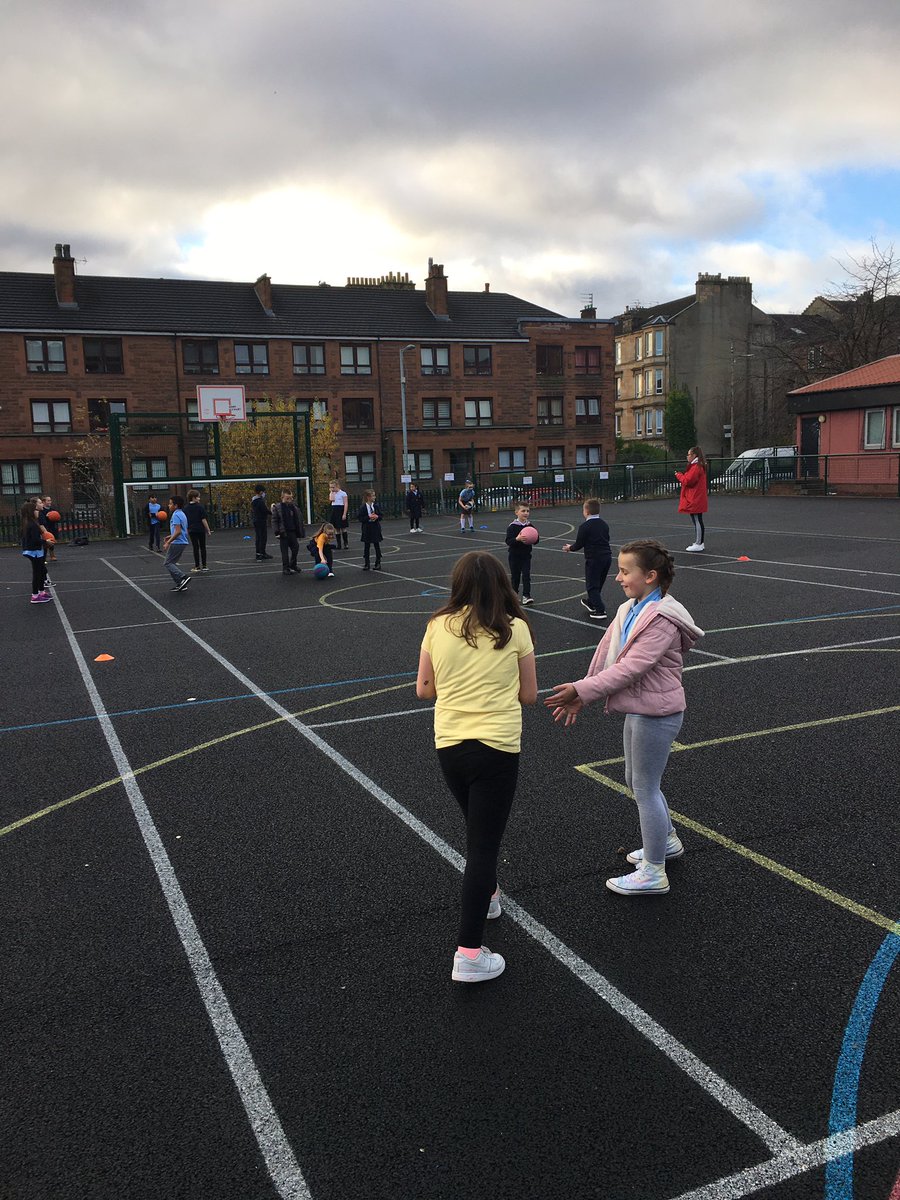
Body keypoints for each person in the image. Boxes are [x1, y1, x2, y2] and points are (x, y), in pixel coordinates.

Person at [545, 539, 703, 896]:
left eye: (625, 571)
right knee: (635, 781)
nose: (618, 578)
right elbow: (607, 656)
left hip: (659, 713)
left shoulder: (661, 618)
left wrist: (582, 691)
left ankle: (653, 871)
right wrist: (583, 691)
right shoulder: (630, 608)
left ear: (650, 576)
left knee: (645, 787)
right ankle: (666, 842)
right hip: (640, 708)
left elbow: (631, 669)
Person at [416, 551, 537, 983]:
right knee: (483, 845)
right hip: (498, 746)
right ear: (501, 583)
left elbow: (424, 689)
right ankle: (468, 953)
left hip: (450, 743)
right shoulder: (516, 628)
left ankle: (487, 894)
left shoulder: (437, 626)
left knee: (477, 831)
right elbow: (528, 695)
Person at [563, 498, 612, 622]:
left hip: (594, 558)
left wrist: (570, 548)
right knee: (599, 582)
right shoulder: (604, 524)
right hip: (607, 557)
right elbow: (607, 538)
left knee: (591, 585)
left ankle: (600, 610)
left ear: (586, 511)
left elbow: (579, 543)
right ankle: (591, 602)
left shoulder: (585, 526)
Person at [676, 446, 709, 552]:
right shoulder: (696, 466)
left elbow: (688, 481)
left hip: (695, 497)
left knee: (697, 519)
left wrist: (679, 476)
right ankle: (698, 542)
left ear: (694, 455)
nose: (687, 456)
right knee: (697, 519)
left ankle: (699, 543)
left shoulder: (696, 467)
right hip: (695, 496)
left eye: (689, 454)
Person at [504, 502, 537, 606]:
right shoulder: (512, 526)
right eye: (523, 511)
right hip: (514, 556)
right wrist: (517, 539)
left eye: (527, 511)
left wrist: (534, 537)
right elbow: (508, 541)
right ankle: (514, 594)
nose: (526, 513)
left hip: (526, 555)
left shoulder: (530, 526)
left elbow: (536, 540)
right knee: (515, 576)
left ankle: (526, 595)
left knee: (526, 575)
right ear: (516, 512)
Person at [22, 497, 50, 604]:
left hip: (34, 550)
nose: (38, 512)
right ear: (31, 512)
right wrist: (46, 542)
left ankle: (41, 592)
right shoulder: (32, 525)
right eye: (36, 510)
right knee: (37, 573)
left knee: (41, 571)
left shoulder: (30, 523)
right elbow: (35, 540)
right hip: (34, 551)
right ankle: (35, 595)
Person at [272, 489, 305, 574]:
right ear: (282, 497)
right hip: (283, 532)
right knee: (284, 552)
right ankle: (285, 568)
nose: (289, 500)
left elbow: (298, 519)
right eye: (287, 498)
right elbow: (275, 520)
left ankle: (293, 564)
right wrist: (277, 532)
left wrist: (300, 532)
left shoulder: (294, 507)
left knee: (295, 548)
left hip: (292, 531)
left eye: (290, 498)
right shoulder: (278, 507)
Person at [163, 496, 191, 592]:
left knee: (168, 563)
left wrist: (168, 542)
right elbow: (182, 530)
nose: (168, 505)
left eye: (170, 503)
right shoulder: (182, 514)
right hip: (181, 541)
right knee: (171, 563)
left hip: (177, 542)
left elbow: (178, 531)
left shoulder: (175, 515)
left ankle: (183, 577)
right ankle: (180, 584)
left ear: (175, 505)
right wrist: (170, 536)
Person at [185, 489, 212, 573]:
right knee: (202, 547)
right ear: (193, 498)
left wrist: (185, 530)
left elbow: (185, 521)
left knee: (195, 548)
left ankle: (197, 566)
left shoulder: (186, 508)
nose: (199, 499)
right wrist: (208, 530)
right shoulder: (200, 507)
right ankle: (204, 565)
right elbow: (203, 519)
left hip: (192, 530)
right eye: (198, 497)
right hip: (200, 529)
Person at [357, 489, 383, 570]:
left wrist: (377, 517)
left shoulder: (376, 506)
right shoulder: (363, 507)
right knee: (366, 546)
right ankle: (366, 563)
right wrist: (368, 517)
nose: (374, 497)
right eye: (373, 496)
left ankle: (378, 562)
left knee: (376, 545)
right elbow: (360, 518)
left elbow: (381, 515)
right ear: (368, 497)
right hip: (367, 528)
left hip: (375, 528)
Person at [251, 484, 272, 561]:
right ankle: (261, 553)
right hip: (260, 521)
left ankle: (260, 552)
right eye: (263, 492)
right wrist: (272, 512)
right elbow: (265, 510)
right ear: (260, 492)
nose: (264, 493)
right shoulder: (259, 501)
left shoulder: (254, 500)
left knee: (259, 537)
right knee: (262, 537)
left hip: (257, 520)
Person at [329, 479, 350, 550]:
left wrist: (344, 514)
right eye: (330, 487)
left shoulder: (343, 493)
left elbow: (346, 503)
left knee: (343, 528)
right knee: (336, 528)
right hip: (334, 510)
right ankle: (339, 544)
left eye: (333, 487)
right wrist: (332, 493)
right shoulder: (332, 493)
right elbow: (331, 500)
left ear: (337, 486)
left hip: (341, 510)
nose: (332, 489)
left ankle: (346, 543)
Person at [39, 496, 59, 562]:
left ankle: (52, 555)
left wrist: (56, 517)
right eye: (48, 500)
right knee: (46, 543)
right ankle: (44, 557)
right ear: (44, 502)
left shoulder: (52, 510)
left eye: (50, 500)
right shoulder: (41, 511)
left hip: (52, 528)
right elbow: (41, 520)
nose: (50, 502)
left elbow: (57, 518)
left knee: (51, 542)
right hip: (45, 528)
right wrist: (47, 516)